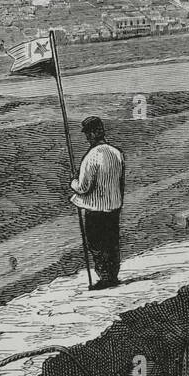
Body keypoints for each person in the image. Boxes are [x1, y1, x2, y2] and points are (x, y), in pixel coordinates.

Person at [71, 116, 125, 290]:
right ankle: (113, 276)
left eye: (88, 134)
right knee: (112, 243)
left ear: (94, 133)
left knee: (97, 244)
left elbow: (83, 187)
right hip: (114, 206)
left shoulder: (91, 157)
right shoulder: (117, 153)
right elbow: (120, 181)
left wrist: (73, 181)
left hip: (96, 209)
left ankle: (105, 279)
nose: (87, 137)